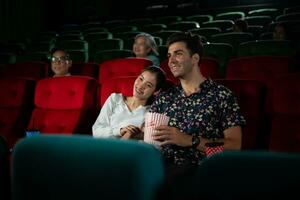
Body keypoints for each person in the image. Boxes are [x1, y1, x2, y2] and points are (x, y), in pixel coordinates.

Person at [149, 32, 246, 166]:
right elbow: (151, 138)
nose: (171, 61)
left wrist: (190, 140)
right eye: (169, 56)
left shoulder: (221, 95)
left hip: (200, 169)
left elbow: (234, 146)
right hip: (161, 168)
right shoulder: (165, 97)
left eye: (178, 54)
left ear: (195, 58)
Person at [92, 66, 166, 139]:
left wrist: (135, 135)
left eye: (148, 85)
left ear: (156, 91)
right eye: (141, 79)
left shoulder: (151, 114)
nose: (140, 86)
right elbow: (96, 130)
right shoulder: (114, 99)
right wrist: (119, 131)